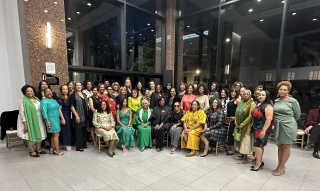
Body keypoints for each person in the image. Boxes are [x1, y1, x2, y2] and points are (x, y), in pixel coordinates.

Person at [273, 81, 301, 176]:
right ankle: (279, 165)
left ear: (288, 91)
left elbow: (297, 115)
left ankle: (281, 167)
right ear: (278, 90)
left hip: (289, 125)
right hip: (278, 125)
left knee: (286, 146)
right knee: (280, 146)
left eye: (285, 90)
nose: (282, 91)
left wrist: (288, 120)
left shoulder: (293, 101)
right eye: (281, 89)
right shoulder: (276, 101)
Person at [17, 85, 47, 157]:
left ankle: (38, 149)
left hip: (39, 120)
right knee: (29, 136)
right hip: (29, 121)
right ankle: (32, 150)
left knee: (40, 133)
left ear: (33, 92)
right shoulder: (23, 101)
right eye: (27, 91)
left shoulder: (37, 99)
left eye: (31, 91)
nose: (29, 92)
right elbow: (22, 114)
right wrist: (25, 124)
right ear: (25, 92)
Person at [250, 90, 273, 171]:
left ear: (267, 96)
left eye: (263, 95)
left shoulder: (268, 107)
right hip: (255, 128)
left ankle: (258, 164)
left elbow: (269, 119)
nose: (260, 96)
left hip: (262, 129)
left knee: (257, 146)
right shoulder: (259, 105)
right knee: (259, 146)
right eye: (259, 95)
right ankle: (259, 161)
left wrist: (263, 130)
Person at [41, 88, 65, 156]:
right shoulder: (44, 101)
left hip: (56, 119)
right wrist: (47, 122)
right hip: (50, 120)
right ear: (44, 93)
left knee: (54, 134)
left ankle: (52, 147)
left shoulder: (54, 100)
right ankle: (56, 150)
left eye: (50, 91)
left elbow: (58, 109)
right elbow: (44, 112)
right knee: (56, 134)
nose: (48, 93)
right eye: (46, 92)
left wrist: (61, 119)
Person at [234, 89, 256, 164]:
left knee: (245, 141)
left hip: (246, 126)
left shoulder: (252, 103)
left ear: (250, 95)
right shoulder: (241, 102)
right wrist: (236, 122)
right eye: (244, 94)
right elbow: (236, 112)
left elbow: (250, 116)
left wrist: (242, 125)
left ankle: (245, 158)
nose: (245, 95)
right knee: (240, 140)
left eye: (247, 94)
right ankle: (241, 155)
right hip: (239, 125)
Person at [69, 82, 88, 152]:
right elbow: (71, 106)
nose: (79, 86)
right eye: (77, 85)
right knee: (78, 131)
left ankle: (83, 144)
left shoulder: (84, 94)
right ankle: (79, 146)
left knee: (83, 130)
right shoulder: (73, 95)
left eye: (80, 85)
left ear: (82, 86)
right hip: (77, 115)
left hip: (84, 115)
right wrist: (76, 115)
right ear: (75, 87)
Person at [57, 85, 73, 151]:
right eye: (63, 89)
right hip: (64, 114)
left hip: (69, 114)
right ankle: (65, 144)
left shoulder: (69, 97)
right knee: (65, 129)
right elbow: (59, 109)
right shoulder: (59, 98)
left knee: (69, 129)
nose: (65, 90)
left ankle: (69, 143)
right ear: (61, 90)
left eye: (66, 89)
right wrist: (62, 118)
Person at [226, 88, 241, 155]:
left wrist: (235, 118)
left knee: (231, 133)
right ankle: (230, 148)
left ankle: (232, 149)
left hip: (234, 119)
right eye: (232, 92)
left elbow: (240, 111)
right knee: (229, 133)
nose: (233, 93)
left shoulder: (237, 100)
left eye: (235, 92)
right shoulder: (230, 99)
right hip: (229, 119)